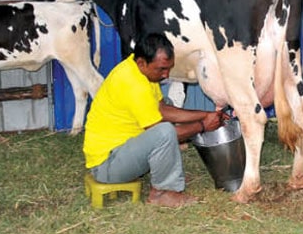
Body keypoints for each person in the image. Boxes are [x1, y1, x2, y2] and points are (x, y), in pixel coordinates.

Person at [83, 33, 226, 207]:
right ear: (142, 62)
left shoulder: (139, 69)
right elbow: (164, 132)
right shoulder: (132, 83)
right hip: (107, 166)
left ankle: (165, 175)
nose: (166, 75)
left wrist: (205, 115)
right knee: (164, 132)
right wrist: (203, 125)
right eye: (161, 69)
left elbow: (162, 110)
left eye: (168, 68)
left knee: (167, 108)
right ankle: (162, 193)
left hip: (121, 152)